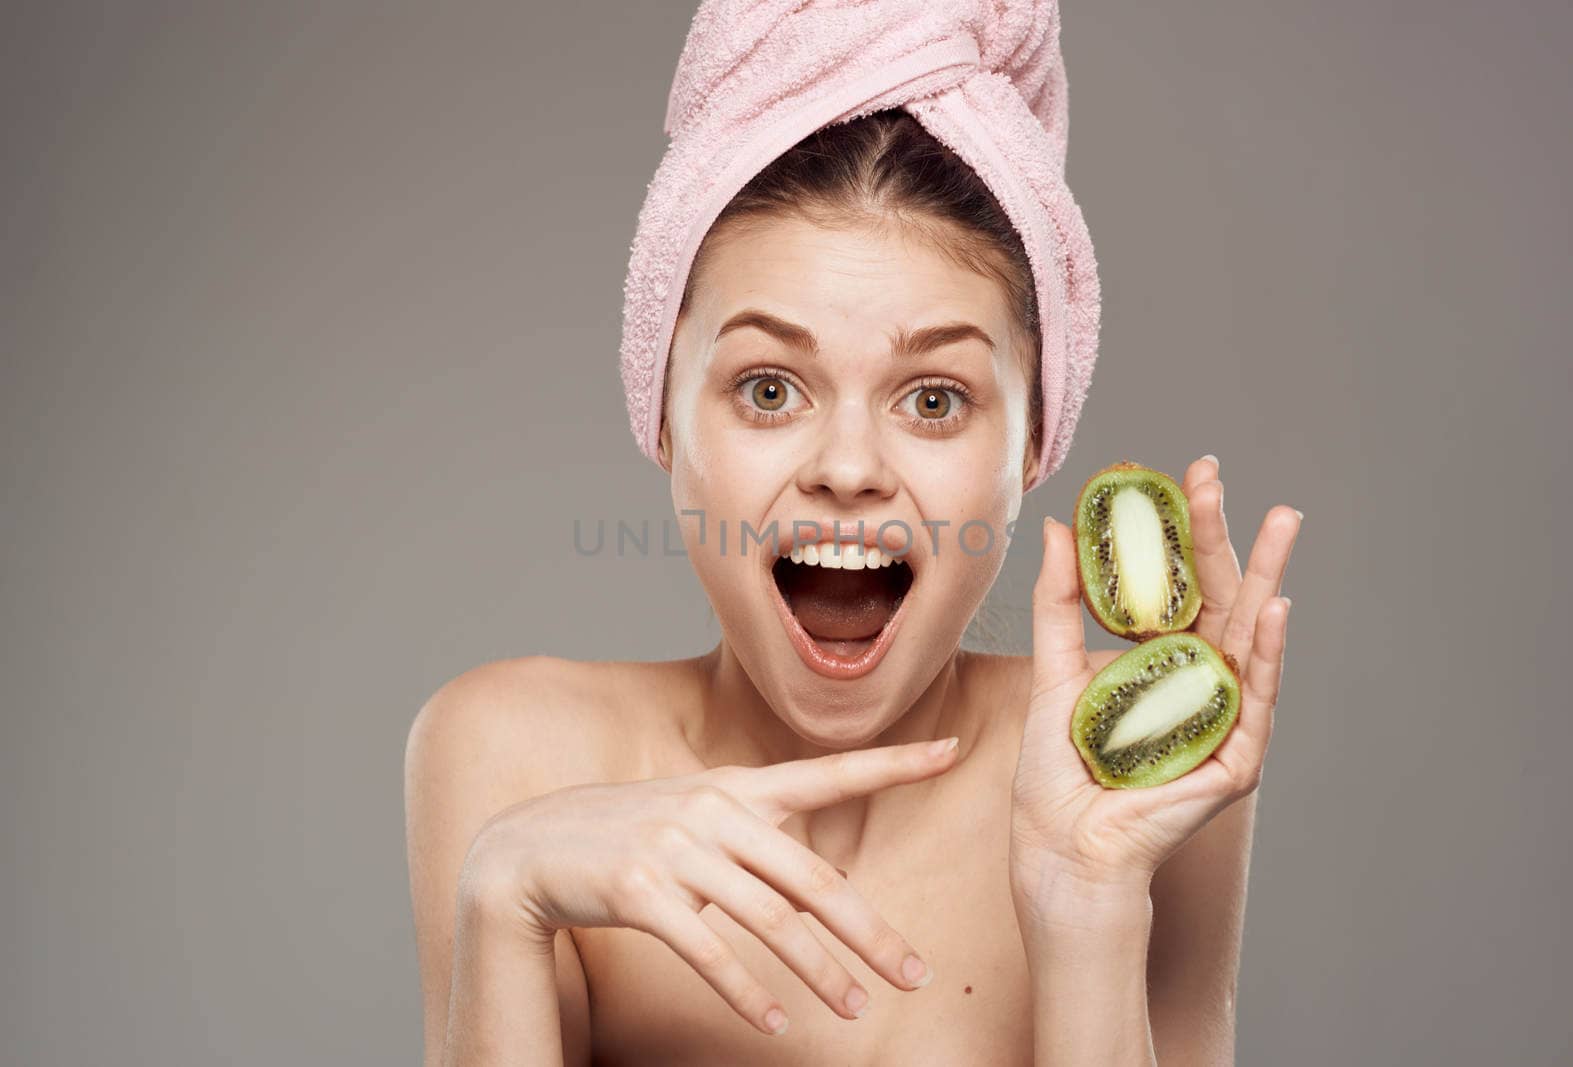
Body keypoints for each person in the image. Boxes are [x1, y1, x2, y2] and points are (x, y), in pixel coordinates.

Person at [405, 13, 1300, 1067]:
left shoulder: (1123, 770)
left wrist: (1087, 901)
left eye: (932, 397)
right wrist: (504, 891)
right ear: (659, 417)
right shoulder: (514, 759)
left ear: (1031, 444)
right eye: (769, 387)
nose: (847, 466)